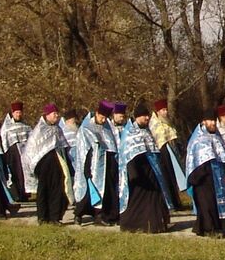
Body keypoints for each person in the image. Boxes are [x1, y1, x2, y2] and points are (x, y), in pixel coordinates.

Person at [117, 102, 173, 233]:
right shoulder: (130, 132)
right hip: (139, 172)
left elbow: (153, 151)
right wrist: (133, 173)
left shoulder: (147, 131)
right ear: (137, 117)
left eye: (147, 116)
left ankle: (155, 225)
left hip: (152, 170)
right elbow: (128, 154)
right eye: (144, 116)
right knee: (137, 199)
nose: (147, 118)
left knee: (155, 197)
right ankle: (131, 224)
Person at [184, 109, 225, 237]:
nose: (213, 123)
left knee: (219, 202)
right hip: (203, 177)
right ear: (204, 121)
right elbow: (194, 159)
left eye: (214, 120)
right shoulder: (198, 138)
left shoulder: (218, 137)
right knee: (207, 204)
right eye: (210, 120)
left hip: (218, 175)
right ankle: (209, 229)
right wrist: (201, 174)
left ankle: (221, 226)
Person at [23, 103, 73, 225]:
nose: (57, 116)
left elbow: (63, 146)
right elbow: (31, 149)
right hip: (43, 165)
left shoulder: (57, 129)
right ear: (47, 115)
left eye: (57, 113)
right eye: (54, 114)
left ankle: (55, 218)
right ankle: (42, 218)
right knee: (43, 191)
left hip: (57, 165)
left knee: (58, 190)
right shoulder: (39, 129)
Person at [72, 101, 120, 226]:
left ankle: (102, 215)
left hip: (107, 165)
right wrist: (86, 170)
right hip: (92, 166)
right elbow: (83, 151)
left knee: (106, 191)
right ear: (97, 113)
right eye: (101, 117)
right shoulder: (86, 128)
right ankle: (78, 214)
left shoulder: (108, 129)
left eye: (105, 118)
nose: (103, 120)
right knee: (88, 193)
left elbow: (112, 146)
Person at [149, 99, 185, 207]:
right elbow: (158, 138)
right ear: (158, 111)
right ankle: (171, 201)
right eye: (163, 110)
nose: (165, 112)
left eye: (166, 110)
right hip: (162, 151)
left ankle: (177, 200)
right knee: (167, 176)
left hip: (171, 150)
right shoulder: (155, 123)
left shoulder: (167, 121)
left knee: (174, 176)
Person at [0, 101, 32, 202]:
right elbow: (4, 139)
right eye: (16, 112)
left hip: (25, 152)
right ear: (12, 113)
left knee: (25, 173)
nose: (18, 114)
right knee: (16, 173)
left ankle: (25, 193)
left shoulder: (26, 125)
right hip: (13, 153)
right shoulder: (7, 126)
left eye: (20, 112)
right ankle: (18, 194)